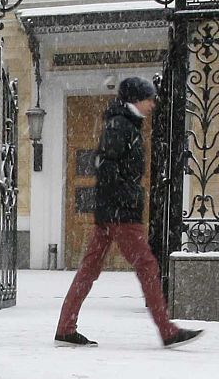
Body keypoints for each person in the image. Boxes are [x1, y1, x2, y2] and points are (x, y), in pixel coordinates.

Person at [55, 76, 202, 349]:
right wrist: (124, 204)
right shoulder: (121, 125)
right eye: (149, 98)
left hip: (112, 212)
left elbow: (110, 169)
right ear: (136, 99)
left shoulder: (124, 124)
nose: (152, 104)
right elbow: (108, 169)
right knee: (147, 266)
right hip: (121, 214)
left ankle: (65, 328)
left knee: (89, 269)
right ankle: (167, 330)